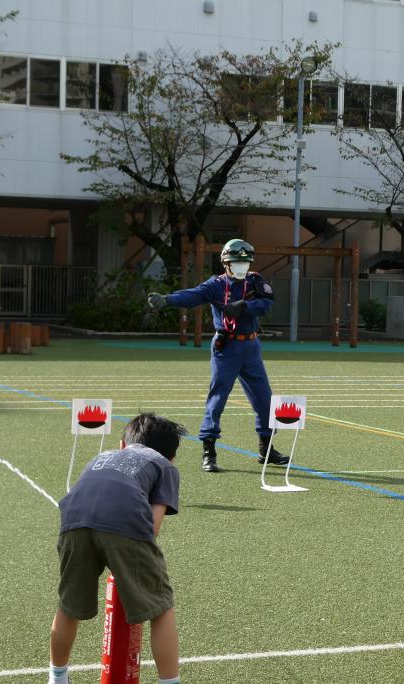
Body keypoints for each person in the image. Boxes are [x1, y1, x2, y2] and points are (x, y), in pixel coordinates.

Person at [49, 413, 186, 684]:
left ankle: (57, 678)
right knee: (160, 607)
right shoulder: (164, 466)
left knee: (68, 605)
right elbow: (152, 526)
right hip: (124, 524)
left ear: (123, 444)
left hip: (73, 523)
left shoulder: (100, 457)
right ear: (171, 456)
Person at [147, 238, 289, 473]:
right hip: (226, 347)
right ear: (226, 263)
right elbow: (193, 295)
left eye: (245, 263)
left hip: (251, 346)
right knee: (218, 397)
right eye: (236, 263)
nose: (241, 267)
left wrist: (244, 306)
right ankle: (209, 451)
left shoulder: (255, 280)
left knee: (265, 399)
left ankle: (267, 449)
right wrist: (168, 299)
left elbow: (265, 304)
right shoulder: (217, 284)